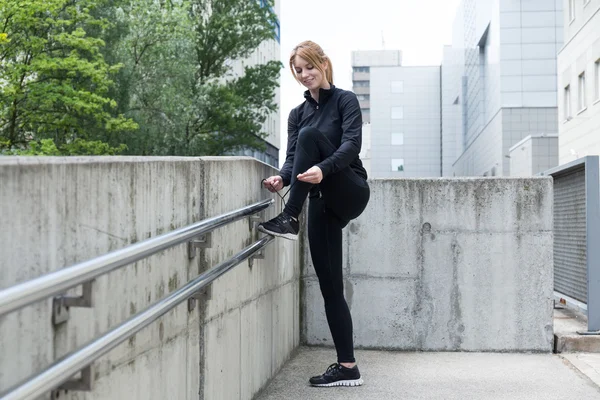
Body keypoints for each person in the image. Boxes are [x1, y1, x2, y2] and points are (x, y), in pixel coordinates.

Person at [258, 40, 370, 387]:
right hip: (320, 198)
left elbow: (352, 145)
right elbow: (294, 160)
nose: (304, 74)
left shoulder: (344, 100)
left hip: (350, 187)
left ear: (323, 64)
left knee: (311, 136)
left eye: (309, 67)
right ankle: (348, 367)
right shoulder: (297, 114)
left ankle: (290, 216)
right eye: (298, 70)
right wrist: (282, 176)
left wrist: (324, 168)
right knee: (330, 286)